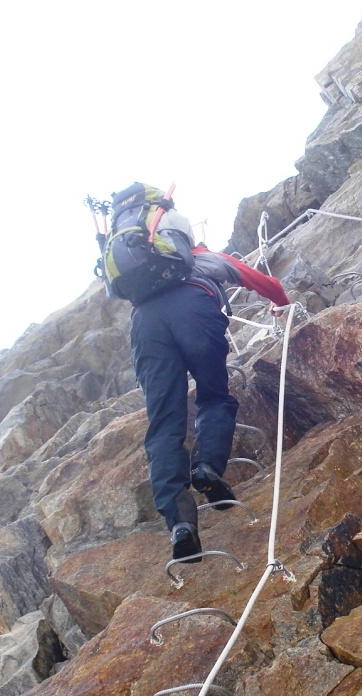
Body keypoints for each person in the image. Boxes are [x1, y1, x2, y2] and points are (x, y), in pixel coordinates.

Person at [127, 196, 291, 563]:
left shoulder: (142, 273)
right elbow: (265, 283)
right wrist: (280, 303)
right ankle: (207, 468)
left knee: (164, 425)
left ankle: (180, 525)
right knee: (214, 396)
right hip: (195, 310)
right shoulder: (205, 257)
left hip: (145, 325)